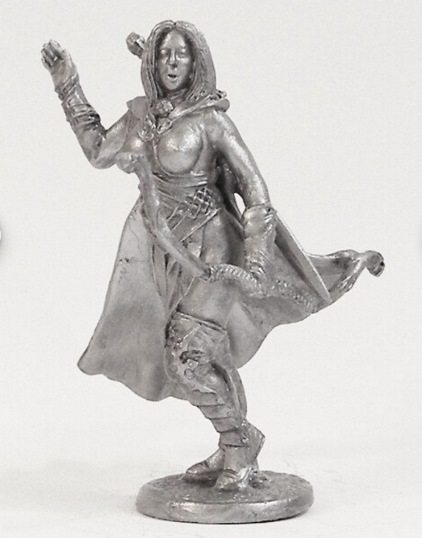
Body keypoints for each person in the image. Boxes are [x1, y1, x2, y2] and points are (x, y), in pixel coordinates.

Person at [41, 20, 384, 491]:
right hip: (160, 250)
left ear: (196, 61)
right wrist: (68, 88)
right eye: (163, 54)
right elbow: (99, 151)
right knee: (200, 353)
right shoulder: (142, 116)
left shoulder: (211, 121)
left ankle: (240, 443)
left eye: (181, 54)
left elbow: (256, 192)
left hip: (212, 246)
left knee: (187, 356)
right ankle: (233, 444)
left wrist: (256, 264)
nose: (172, 63)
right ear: (151, 61)